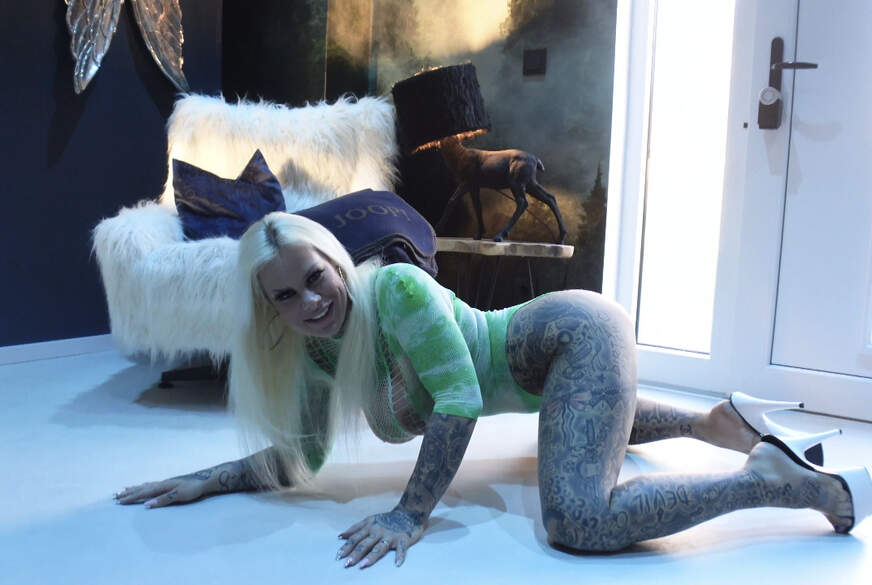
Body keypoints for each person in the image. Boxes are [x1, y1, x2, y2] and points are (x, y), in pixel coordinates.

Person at [115, 213, 871, 568]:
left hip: (572, 333)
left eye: (316, 278)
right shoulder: (316, 350)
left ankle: (778, 481)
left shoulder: (397, 290)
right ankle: (717, 422)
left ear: (337, 264)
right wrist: (209, 479)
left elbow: (460, 399)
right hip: (550, 382)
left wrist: (411, 514)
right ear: (269, 312)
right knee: (579, 418)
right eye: (286, 296)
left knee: (577, 519)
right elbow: (302, 457)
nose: (310, 302)